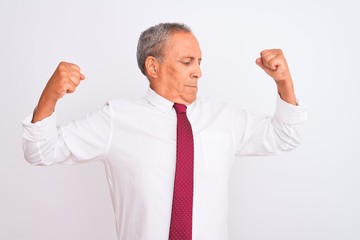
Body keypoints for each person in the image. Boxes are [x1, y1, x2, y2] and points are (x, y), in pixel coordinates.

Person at [22, 23, 307, 240]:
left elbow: (285, 137)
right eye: (187, 62)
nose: (198, 72)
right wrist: (51, 95)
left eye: (199, 62)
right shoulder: (116, 118)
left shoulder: (224, 117)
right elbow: (40, 152)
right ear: (153, 66)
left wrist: (284, 82)